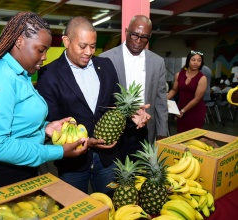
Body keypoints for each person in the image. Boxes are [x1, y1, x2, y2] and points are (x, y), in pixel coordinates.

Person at [0, 12, 88, 197]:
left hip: (20, 172)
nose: (44, 57)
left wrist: (45, 128)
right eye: (40, 49)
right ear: (19, 41)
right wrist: (57, 151)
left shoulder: (21, 76)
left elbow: (17, 124)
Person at [36, 16, 150, 196]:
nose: (89, 52)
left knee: (108, 206)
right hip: (72, 163)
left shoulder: (105, 66)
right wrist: (86, 142)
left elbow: (116, 105)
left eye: (93, 46)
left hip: (108, 159)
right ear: (66, 41)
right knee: (75, 208)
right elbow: (52, 123)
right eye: (82, 46)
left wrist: (133, 114)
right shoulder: (48, 74)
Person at [99, 15, 168, 143]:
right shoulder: (105, 59)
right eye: (134, 35)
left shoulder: (158, 62)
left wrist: (162, 132)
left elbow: (161, 100)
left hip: (145, 127)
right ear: (126, 32)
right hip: (114, 128)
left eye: (144, 37)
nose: (138, 41)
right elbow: (100, 98)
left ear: (149, 37)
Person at [167, 50, 207, 133]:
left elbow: (196, 99)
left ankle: (213, 144)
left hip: (195, 110)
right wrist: (164, 99)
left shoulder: (202, 78)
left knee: (195, 136)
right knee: (181, 135)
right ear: (188, 60)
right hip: (181, 109)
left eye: (199, 60)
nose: (196, 62)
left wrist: (183, 110)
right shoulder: (179, 75)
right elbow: (174, 90)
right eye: (193, 60)